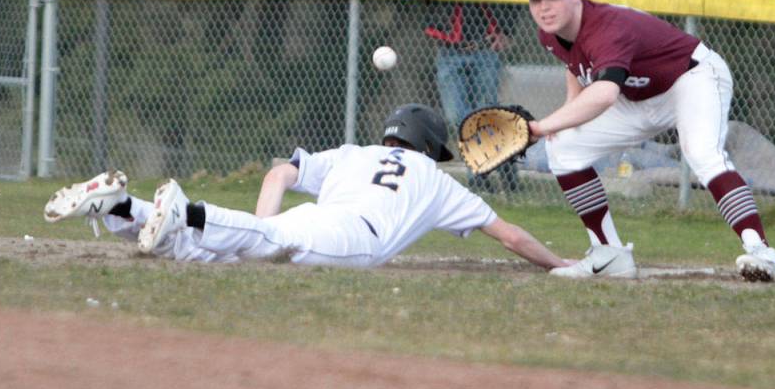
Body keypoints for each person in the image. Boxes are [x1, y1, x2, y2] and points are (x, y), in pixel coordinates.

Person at [42, 103, 622, 274]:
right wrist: (561, 262)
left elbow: (279, 172)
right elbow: (512, 235)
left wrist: (263, 222)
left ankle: (123, 207)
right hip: (354, 239)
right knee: (241, 240)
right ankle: (183, 210)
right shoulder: (434, 178)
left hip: (320, 220)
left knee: (226, 249)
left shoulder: (354, 152)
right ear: (426, 146)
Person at [519, 0, 775, 282]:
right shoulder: (549, 34)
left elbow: (603, 94)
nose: (544, 7)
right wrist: (567, 113)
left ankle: (762, 252)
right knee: (564, 147)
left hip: (691, 78)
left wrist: (543, 125)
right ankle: (608, 253)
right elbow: (574, 65)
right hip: (637, 96)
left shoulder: (606, 26)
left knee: (703, 155)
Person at [400, 0, 518, 192]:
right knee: (457, 116)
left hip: (484, 51)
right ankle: (495, 163)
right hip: (449, 53)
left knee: (485, 112)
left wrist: (506, 33)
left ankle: (481, 176)